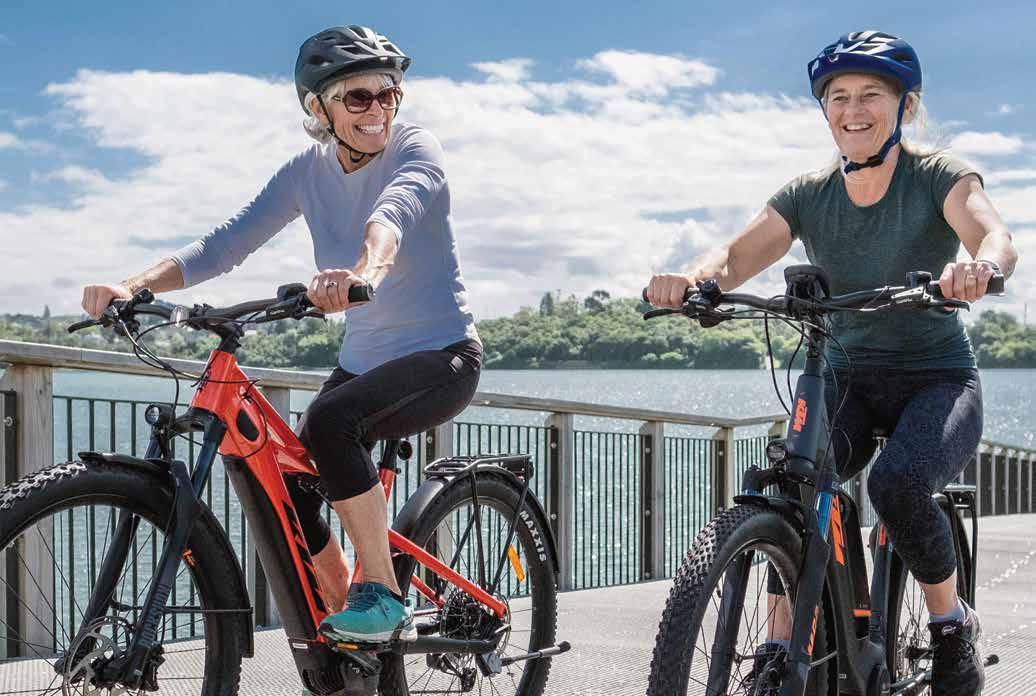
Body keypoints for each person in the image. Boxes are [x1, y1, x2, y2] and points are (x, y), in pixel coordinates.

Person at [81, 24, 482, 648]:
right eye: (359, 97)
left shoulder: (414, 146)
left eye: (388, 93)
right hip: (364, 364)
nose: (378, 109)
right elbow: (225, 244)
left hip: (442, 356)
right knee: (291, 483)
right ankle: (342, 611)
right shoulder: (306, 173)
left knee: (331, 423)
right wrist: (132, 285)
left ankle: (381, 591)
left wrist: (363, 273)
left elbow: (394, 214)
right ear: (319, 108)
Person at [646, 30, 1017, 696]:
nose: (853, 109)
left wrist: (981, 266)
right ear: (825, 110)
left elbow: (992, 232)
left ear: (905, 106)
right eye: (838, 97)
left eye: (871, 94)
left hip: (935, 377)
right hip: (845, 374)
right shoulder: (809, 193)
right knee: (790, 483)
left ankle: (950, 624)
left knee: (897, 486)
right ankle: (779, 645)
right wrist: (692, 278)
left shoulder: (937, 175)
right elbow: (735, 256)